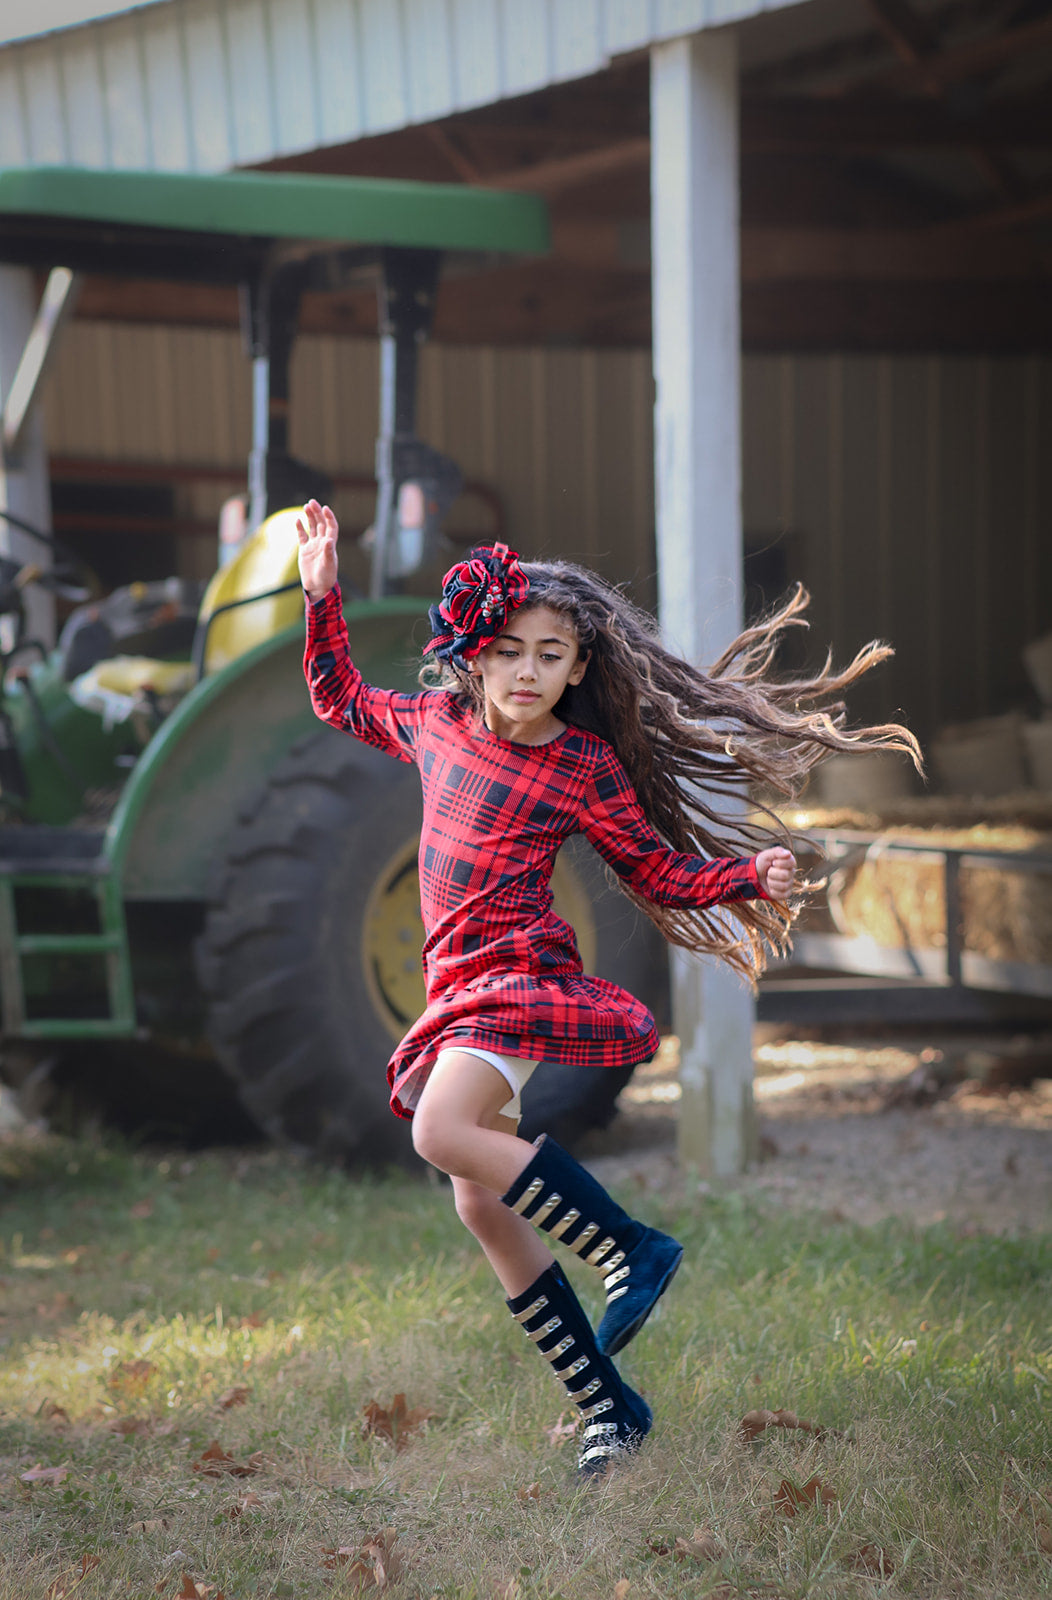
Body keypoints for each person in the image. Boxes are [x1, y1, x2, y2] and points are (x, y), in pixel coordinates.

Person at [297, 500, 919, 1476]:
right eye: (509, 651)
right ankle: (609, 1409)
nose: (527, 670)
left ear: (579, 669)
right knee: (480, 1205)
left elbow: (654, 870)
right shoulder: (435, 724)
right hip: (452, 990)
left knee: (437, 1130)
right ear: (474, 656)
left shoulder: (581, 765)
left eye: (550, 655)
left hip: (516, 983)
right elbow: (338, 695)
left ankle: (633, 1248)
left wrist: (745, 876)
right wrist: (321, 595)